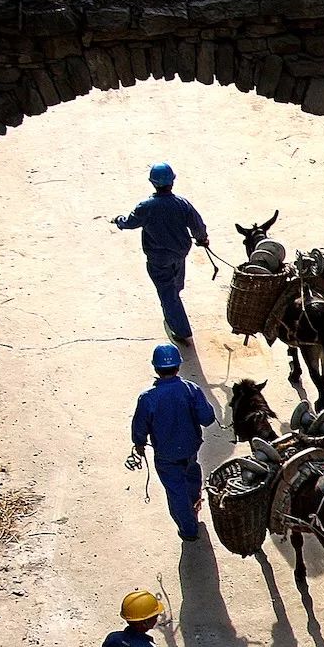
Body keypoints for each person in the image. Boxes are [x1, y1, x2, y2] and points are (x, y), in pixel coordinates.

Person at [113, 162, 209, 343]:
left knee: (167, 292)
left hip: (158, 258)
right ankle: (175, 305)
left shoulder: (146, 206)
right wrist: (202, 239)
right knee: (175, 283)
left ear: (153, 183)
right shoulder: (182, 204)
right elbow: (197, 225)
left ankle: (181, 330)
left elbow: (130, 222)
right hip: (180, 254)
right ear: (172, 182)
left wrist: (119, 221)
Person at [131, 343, 216, 542]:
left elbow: (140, 426)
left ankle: (188, 530)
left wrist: (139, 443)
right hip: (190, 450)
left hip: (167, 457)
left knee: (176, 492)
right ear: (178, 366)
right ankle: (194, 506)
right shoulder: (191, 390)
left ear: (155, 368)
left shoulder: (148, 398)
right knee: (192, 477)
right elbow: (208, 418)